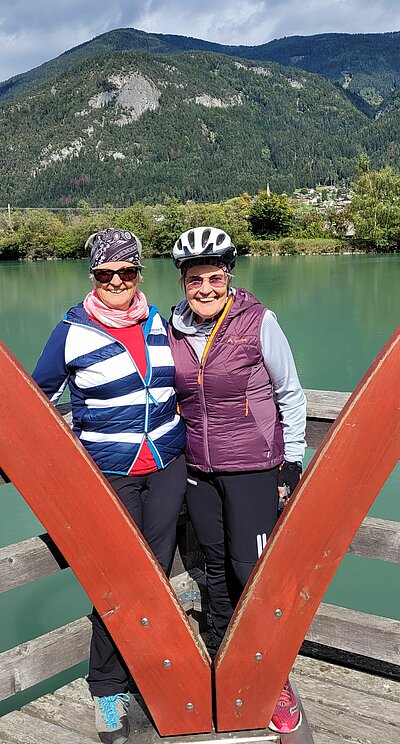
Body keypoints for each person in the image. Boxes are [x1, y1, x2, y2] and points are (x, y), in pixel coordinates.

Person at [33, 228, 186, 744]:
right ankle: (108, 690)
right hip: (109, 474)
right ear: (93, 277)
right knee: (117, 583)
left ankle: (150, 671)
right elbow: (36, 399)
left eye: (126, 272)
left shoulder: (161, 322)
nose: (116, 281)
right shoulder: (72, 330)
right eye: (105, 274)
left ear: (140, 273)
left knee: (158, 575)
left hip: (166, 465)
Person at [168, 226, 307, 736]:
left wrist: (291, 460)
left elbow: (290, 393)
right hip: (200, 470)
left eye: (214, 277)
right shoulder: (172, 328)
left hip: (253, 466)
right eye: (194, 279)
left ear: (228, 277)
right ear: (183, 283)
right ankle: (229, 659)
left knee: (254, 571)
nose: (205, 288)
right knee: (215, 568)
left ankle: (274, 676)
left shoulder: (259, 320)